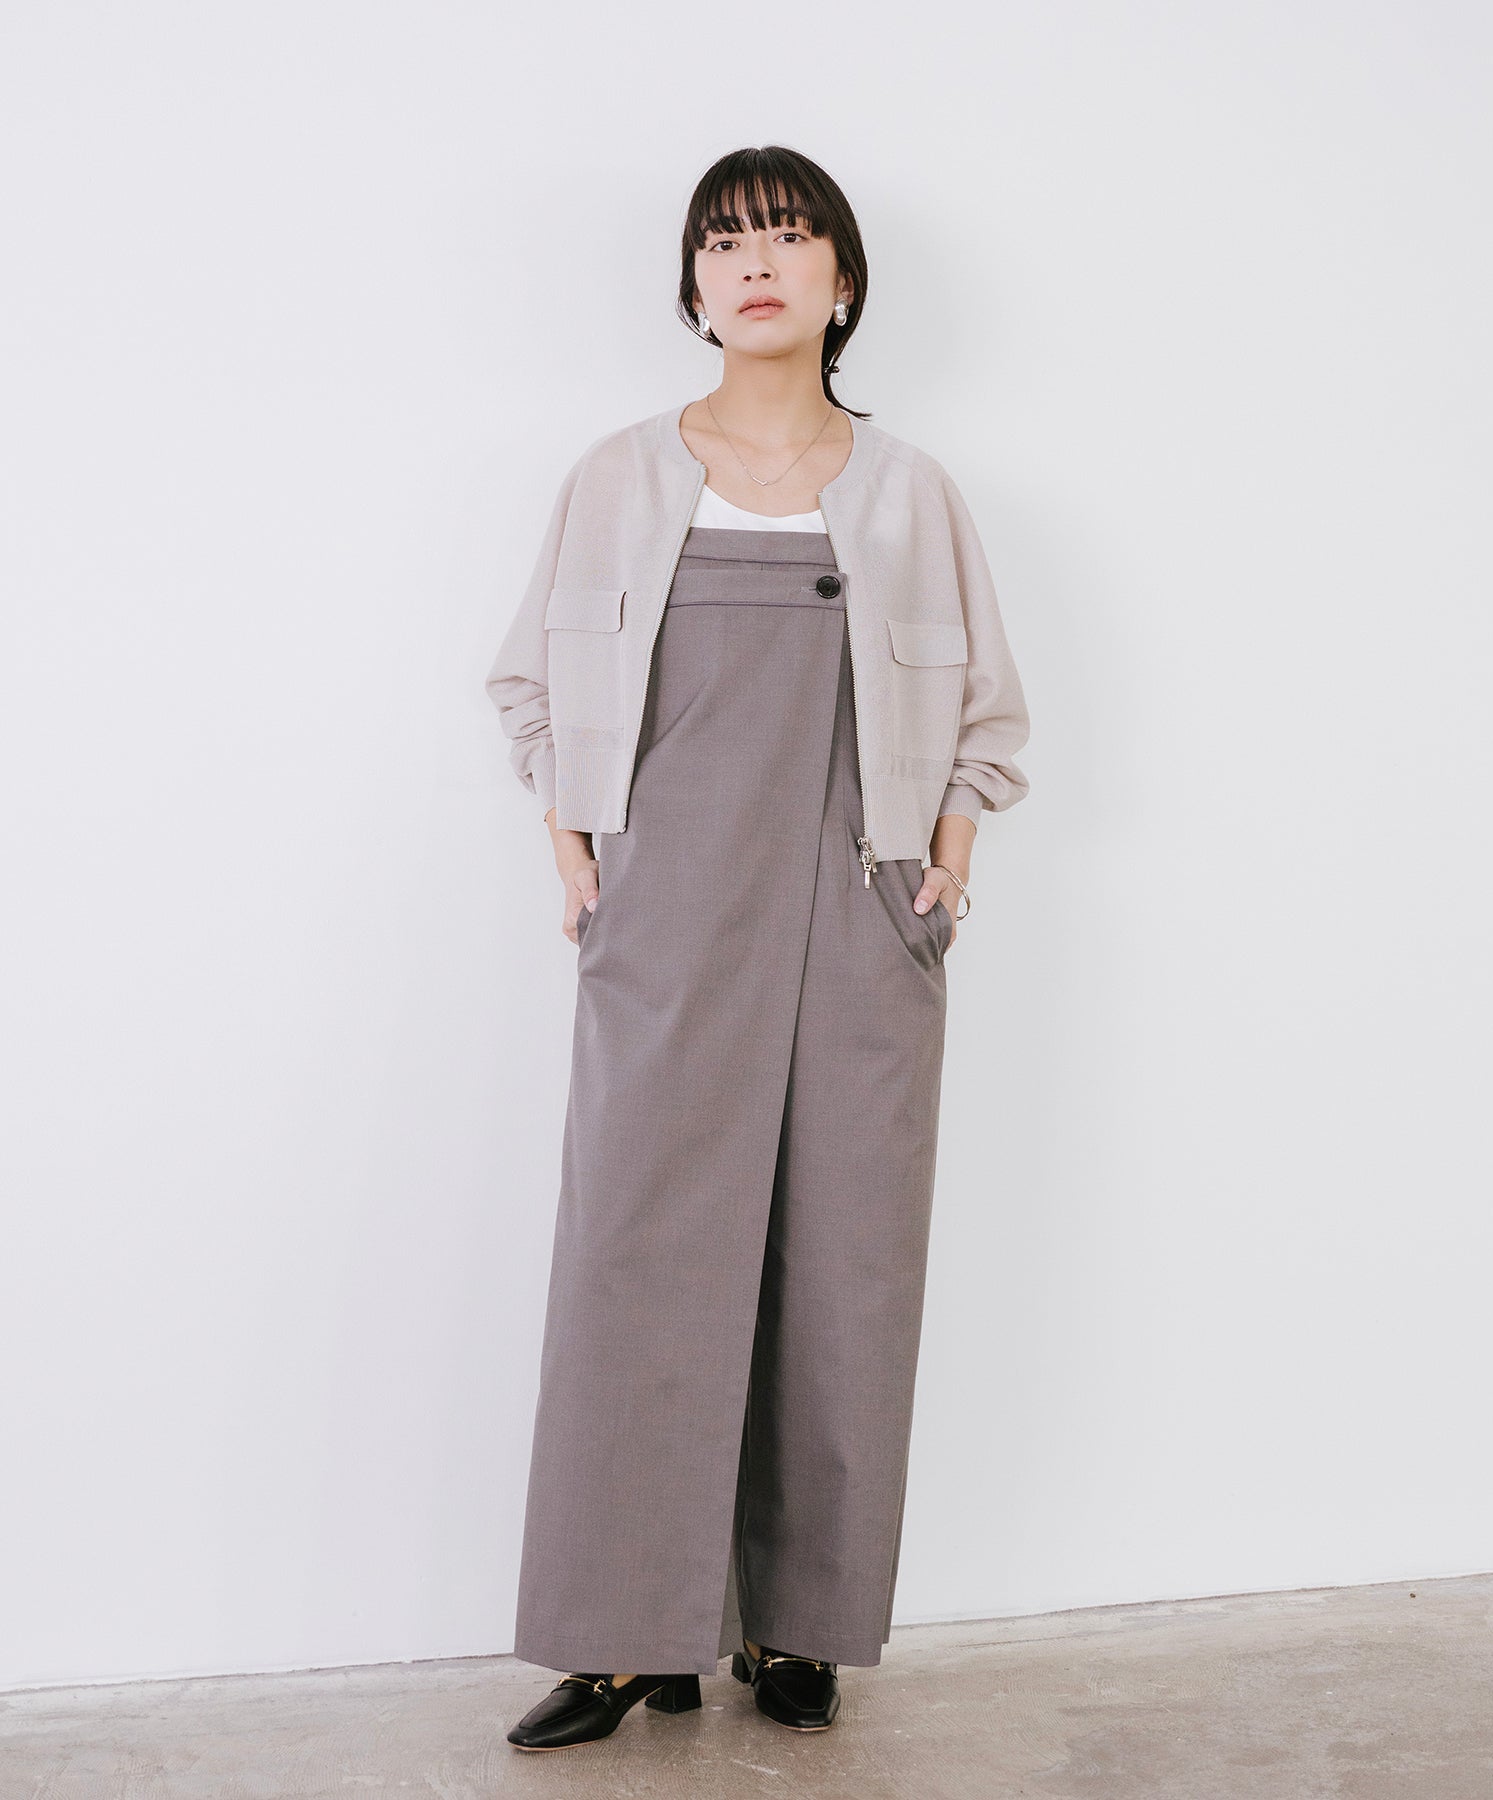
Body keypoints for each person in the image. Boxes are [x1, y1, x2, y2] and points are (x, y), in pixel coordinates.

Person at [484, 144, 1031, 1752]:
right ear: (695, 286)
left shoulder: (911, 491)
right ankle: (621, 1637)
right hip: (667, 901)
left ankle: (800, 1627)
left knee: (845, 1258)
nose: (757, 264)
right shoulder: (617, 478)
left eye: (790, 238)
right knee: (637, 1252)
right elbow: (532, 684)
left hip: (864, 892)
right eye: (726, 242)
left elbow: (986, 708)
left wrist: (946, 869)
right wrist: (577, 849)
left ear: (843, 282)